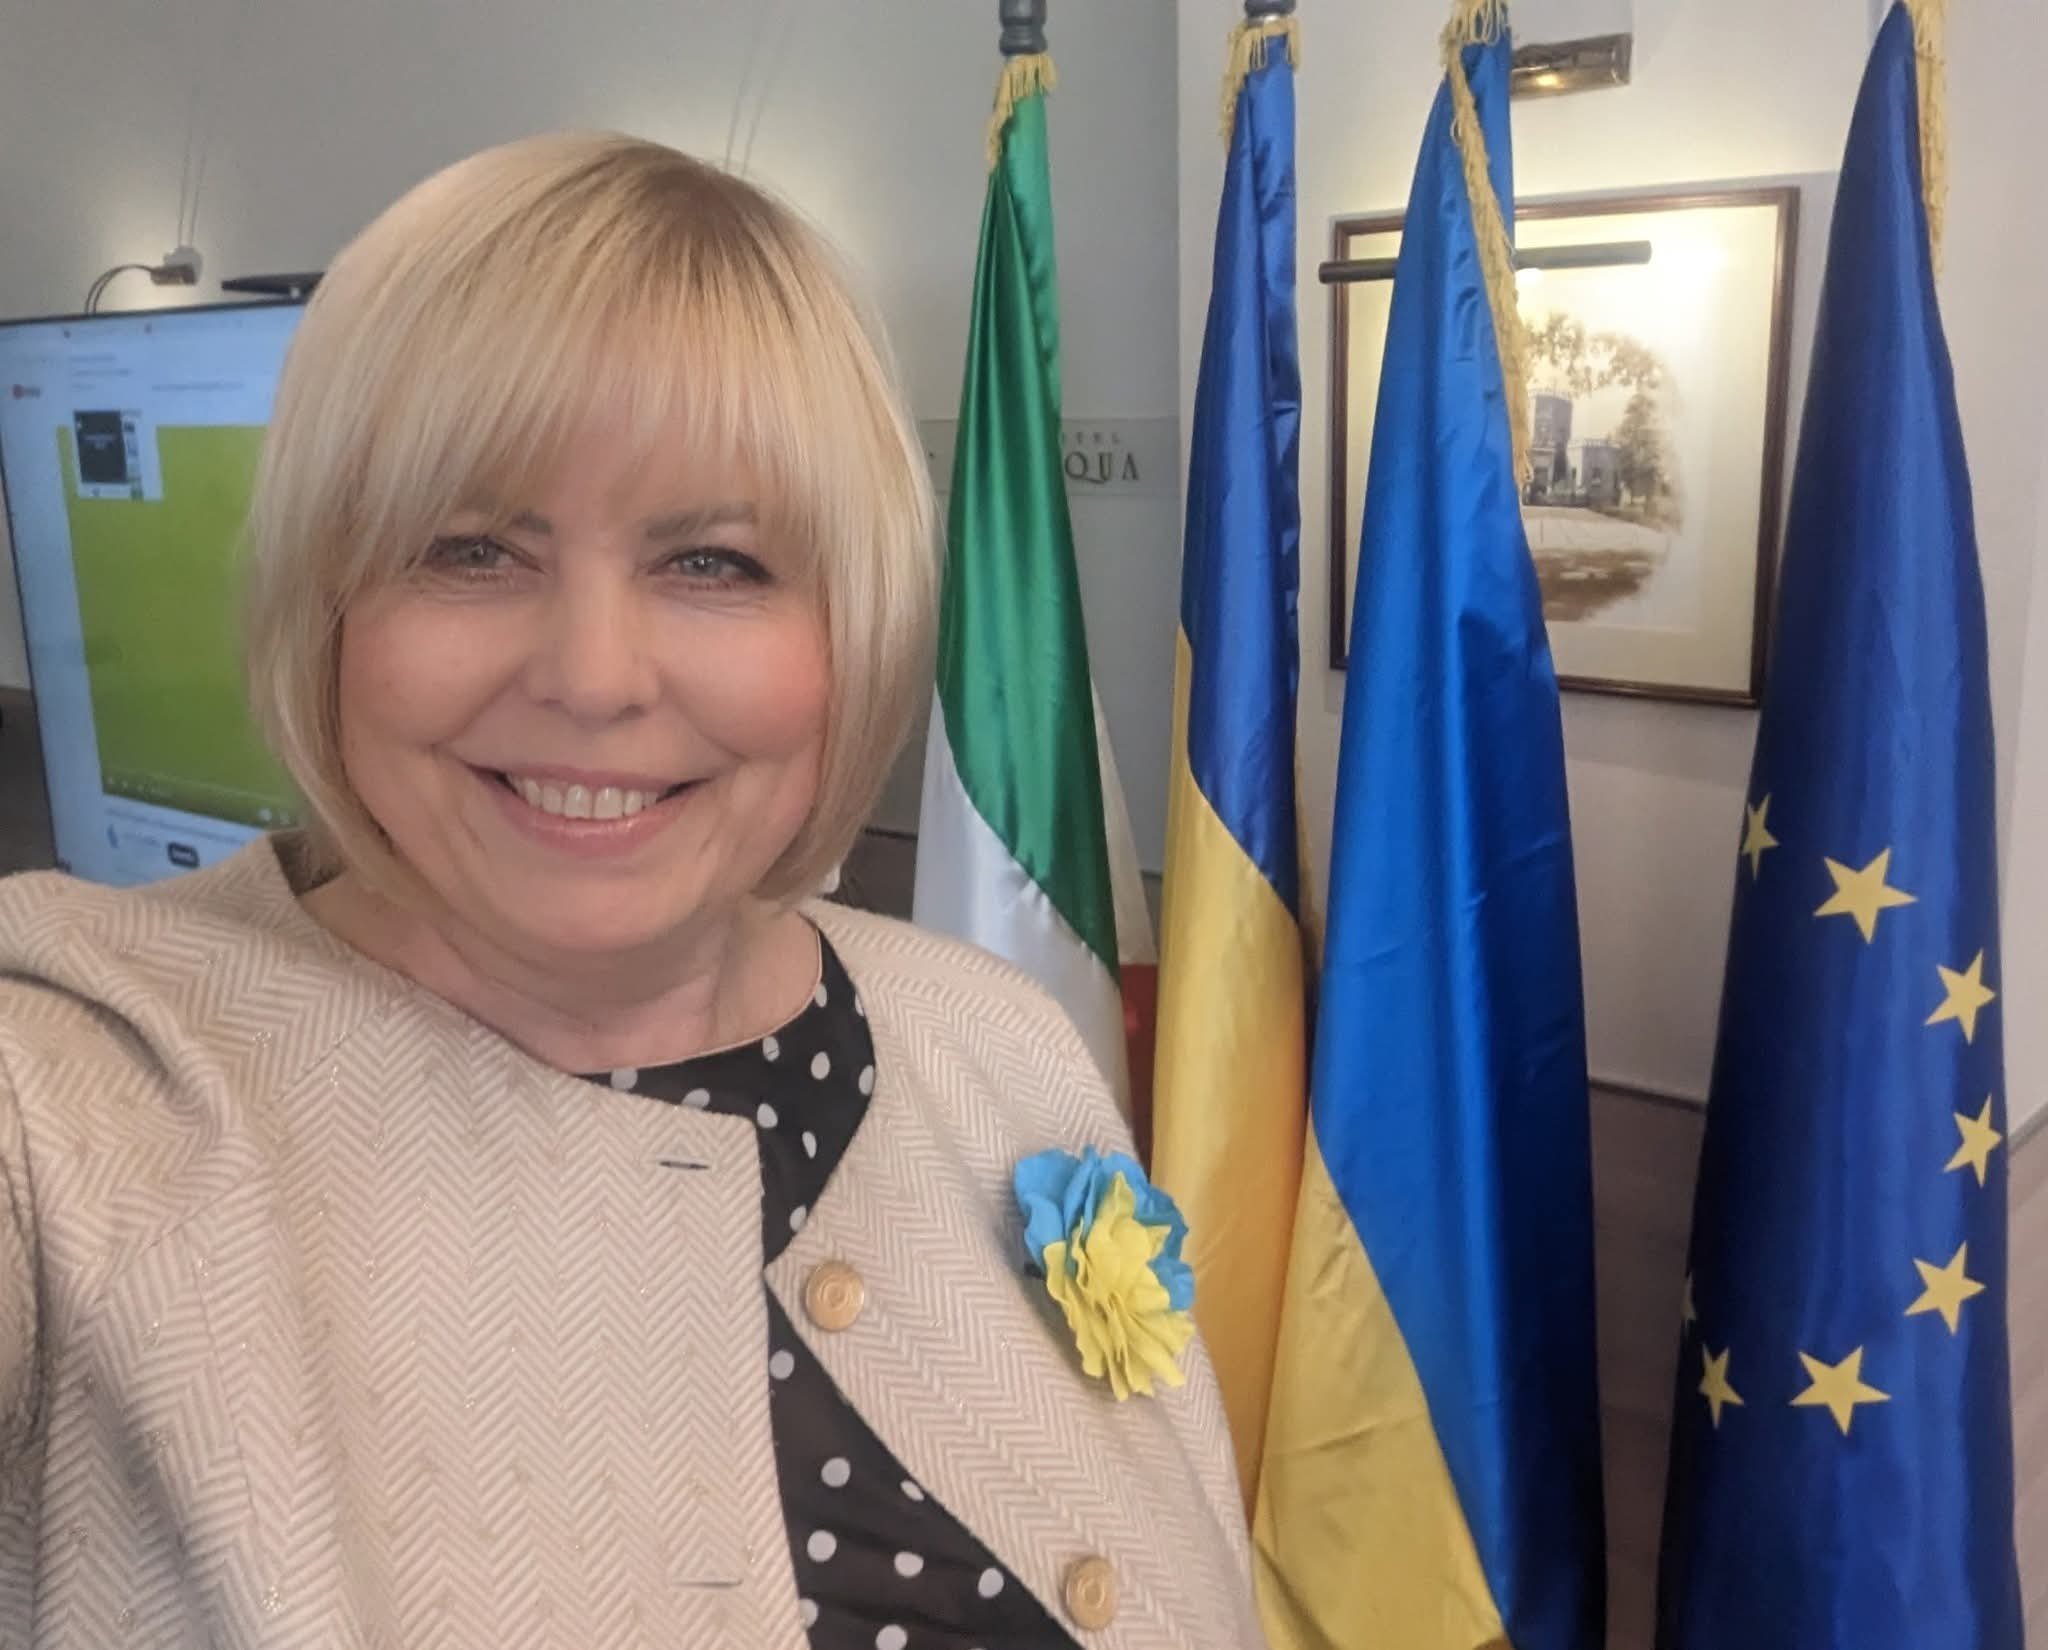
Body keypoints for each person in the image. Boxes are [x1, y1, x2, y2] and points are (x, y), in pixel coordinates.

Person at [0, 134, 1260, 1648]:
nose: (593, 678)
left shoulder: (1000, 1039)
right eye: (471, 548)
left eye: (713, 563)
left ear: (848, 625)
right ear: (324, 603)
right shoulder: (75, 1102)